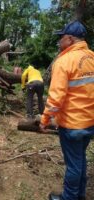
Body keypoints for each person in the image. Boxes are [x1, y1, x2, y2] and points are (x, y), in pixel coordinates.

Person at [39, 20, 94, 200]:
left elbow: (56, 97)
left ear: (69, 39)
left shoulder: (64, 61)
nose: (59, 42)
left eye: (60, 37)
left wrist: (45, 119)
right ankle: (79, 195)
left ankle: (69, 197)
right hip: (90, 122)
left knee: (73, 164)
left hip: (72, 125)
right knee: (80, 160)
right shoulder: (92, 57)